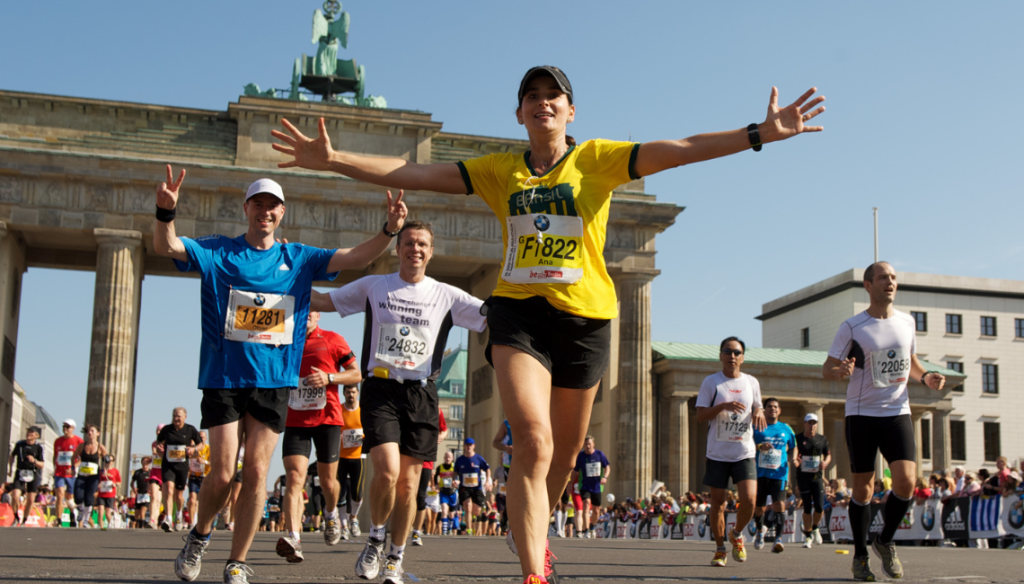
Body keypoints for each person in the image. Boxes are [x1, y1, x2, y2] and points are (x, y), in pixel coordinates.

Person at [273, 64, 825, 584]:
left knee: (562, 454)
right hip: (520, 314)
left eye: (552, 97)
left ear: (570, 111)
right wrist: (335, 160)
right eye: (531, 97)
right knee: (533, 443)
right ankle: (533, 571)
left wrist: (758, 133)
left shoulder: (598, 160)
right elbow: (414, 172)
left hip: (586, 321)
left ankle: (532, 528)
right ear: (520, 114)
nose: (542, 104)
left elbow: (678, 150)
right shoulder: (498, 170)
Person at [154, 165, 407, 584]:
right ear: (247, 209)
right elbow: (168, 247)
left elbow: (355, 258)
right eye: (258, 204)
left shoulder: (300, 258)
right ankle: (199, 536)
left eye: (272, 206)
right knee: (221, 472)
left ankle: (236, 561)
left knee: (255, 471)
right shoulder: (219, 251)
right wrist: (166, 213)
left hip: (274, 382)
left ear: (282, 212)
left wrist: (388, 230)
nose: (265, 212)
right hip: (224, 377)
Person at [308, 219, 486, 584]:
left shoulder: (447, 295)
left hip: (422, 394)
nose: (415, 249)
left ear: (431, 251)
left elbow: (491, 316)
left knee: (408, 485)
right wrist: (280, 276)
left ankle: (396, 556)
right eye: (408, 243)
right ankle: (375, 538)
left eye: (422, 244)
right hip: (382, 390)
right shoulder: (376, 286)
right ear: (398, 248)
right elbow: (324, 300)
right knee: (387, 471)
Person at [823, 261, 946, 581]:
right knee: (862, 489)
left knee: (906, 480)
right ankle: (861, 556)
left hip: (897, 411)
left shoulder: (907, 322)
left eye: (893, 278)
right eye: (882, 278)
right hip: (862, 414)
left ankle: (886, 541)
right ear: (868, 285)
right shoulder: (851, 327)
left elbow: (913, 362)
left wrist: (927, 376)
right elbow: (828, 368)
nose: (889, 282)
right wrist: (840, 372)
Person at [276, 309, 360, 563]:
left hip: (327, 420)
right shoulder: (284, 339)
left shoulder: (333, 339)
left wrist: (330, 377)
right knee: (294, 478)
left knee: (328, 482)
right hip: (295, 420)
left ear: (318, 315)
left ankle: (332, 514)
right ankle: (293, 538)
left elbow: (356, 374)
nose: (307, 315)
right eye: (302, 309)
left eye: (311, 310)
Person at [695, 337, 766, 567]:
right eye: (727, 351)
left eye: (736, 352)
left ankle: (736, 534)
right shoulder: (711, 382)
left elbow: (758, 406)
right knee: (718, 504)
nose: (732, 356)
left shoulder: (752, 382)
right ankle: (720, 549)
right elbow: (700, 415)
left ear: (742, 357)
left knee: (750, 499)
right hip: (717, 453)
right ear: (721, 356)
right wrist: (723, 406)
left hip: (744, 451)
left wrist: (759, 412)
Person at [752, 397, 795, 553]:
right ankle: (758, 532)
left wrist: (793, 459)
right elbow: (747, 445)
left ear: (779, 410)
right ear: (764, 409)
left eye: (775, 407)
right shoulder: (756, 427)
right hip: (760, 473)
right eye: (769, 406)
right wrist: (759, 446)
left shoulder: (786, 429)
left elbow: (793, 446)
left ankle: (778, 538)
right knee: (759, 507)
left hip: (779, 473)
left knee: (779, 504)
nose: (773, 409)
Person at [157, 407, 203, 532]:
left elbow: (201, 444)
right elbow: (158, 443)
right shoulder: (167, 429)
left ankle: (178, 514)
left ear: (185, 417)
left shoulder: (190, 429)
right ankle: (167, 519)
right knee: (169, 490)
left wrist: (194, 449)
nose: (176, 418)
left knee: (179, 495)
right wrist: (160, 448)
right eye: (174, 415)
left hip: (182, 465)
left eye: (179, 416)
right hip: (168, 464)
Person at [793, 412, 831, 549]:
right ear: (804, 424)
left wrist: (825, 463)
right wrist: (795, 459)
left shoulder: (822, 439)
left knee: (820, 506)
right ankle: (808, 536)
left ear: (816, 425)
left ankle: (815, 528)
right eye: (809, 423)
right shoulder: (798, 438)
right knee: (807, 507)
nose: (811, 426)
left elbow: (828, 455)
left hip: (817, 477)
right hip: (803, 477)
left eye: (814, 423)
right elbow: (793, 452)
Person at [411, 408, 448, 546]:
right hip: (411, 456)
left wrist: (442, 436)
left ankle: (416, 531)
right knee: (409, 493)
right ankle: (405, 527)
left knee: (420, 496)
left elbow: (444, 429)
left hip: (427, 458)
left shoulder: (436, 410)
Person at [336, 384, 365, 540]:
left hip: (358, 457)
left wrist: (363, 439)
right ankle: (343, 526)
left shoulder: (363, 411)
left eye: (353, 392)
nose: (351, 395)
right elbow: (333, 428)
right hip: (341, 457)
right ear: (344, 393)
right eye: (348, 392)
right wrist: (337, 436)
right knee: (340, 493)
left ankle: (353, 518)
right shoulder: (339, 410)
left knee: (357, 492)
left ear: (357, 393)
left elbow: (370, 429)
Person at [569, 435, 609, 539]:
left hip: (596, 486)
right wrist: (570, 483)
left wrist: (605, 477)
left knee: (596, 510)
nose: (587, 446)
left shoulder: (600, 455)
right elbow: (575, 471)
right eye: (586, 444)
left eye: (589, 444)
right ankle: (586, 530)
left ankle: (592, 526)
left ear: (593, 444)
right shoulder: (581, 457)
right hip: (584, 485)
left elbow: (607, 467)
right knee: (586, 504)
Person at [8, 425, 46, 525]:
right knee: (15, 496)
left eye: (31, 432)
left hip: (32, 473)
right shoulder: (20, 444)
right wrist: (10, 468)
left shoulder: (38, 448)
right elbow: (12, 456)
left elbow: (42, 465)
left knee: (30, 499)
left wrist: (34, 461)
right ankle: (16, 517)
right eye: (28, 432)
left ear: (36, 435)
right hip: (20, 472)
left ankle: (24, 520)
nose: (29, 434)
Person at [72, 424, 108, 528]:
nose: (90, 433)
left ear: (98, 433)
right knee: (78, 497)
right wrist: (73, 467)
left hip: (93, 476)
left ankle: (86, 520)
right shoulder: (82, 446)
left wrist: (105, 468)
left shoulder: (100, 447)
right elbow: (74, 456)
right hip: (82, 474)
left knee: (89, 498)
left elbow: (106, 459)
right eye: (88, 431)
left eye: (92, 431)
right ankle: (80, 511)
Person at [456, 438, 492, 538]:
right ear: (464, 446)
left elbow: (487, 468)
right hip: (464, 487)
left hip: (477, 487)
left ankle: (474, 523)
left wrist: (488, 480)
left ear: (474, 446)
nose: (469, 447)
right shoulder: (460, 460)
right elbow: (455, 472)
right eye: (467, 445)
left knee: (476, 511)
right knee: (467, 506)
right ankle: (469, 529)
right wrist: (455, 479)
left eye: (470, 445)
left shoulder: (479, 458)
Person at [53, 418, 83, 528]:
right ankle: (59, 520)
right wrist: (54, 468)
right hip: (59, 473)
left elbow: (82, 458)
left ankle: (72, 514)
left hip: (71, 474)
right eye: (64, 426)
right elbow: (55, 456)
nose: (65, 429)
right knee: (60, 495)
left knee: (70, 499)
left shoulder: (78, 441)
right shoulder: (58, 441)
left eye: (67, 427)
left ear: (73, 429)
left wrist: (74, 467)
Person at [187, 431, 210, 530]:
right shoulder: (192, 449)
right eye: (199, 437)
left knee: (203, 501)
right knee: (192, 500)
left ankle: (204, 522)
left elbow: (213, 462)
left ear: (206, 439)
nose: (201, 439)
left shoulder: (209, 448)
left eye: (203, 437)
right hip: (193, 477)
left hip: (205, 477)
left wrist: (204, 461)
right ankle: (192, 523)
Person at [434, 450, 459, 536]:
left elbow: (460, 477)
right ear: (444, 458)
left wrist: (457, 482)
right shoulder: (440, 467)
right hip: (443, 492)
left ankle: (450, 529)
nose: (448, 459)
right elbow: (435, 476)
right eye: (446, 457)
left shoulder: (455, 467)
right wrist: (435, 485)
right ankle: (444, 531)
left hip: (453, 492)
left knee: (451, 514)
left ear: (452, 458)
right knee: (444, 511)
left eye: (449, 457)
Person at [98, 454, 122, 529]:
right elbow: (98, 480)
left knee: (108, 513)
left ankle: (110, 524)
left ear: (113, 462)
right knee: (101, 511)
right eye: (106, 460)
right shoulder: (101, 470)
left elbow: (119, 482)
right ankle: (101, 527)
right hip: (101, 494)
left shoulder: (115, 471)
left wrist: (115, 484)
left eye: (110, 460)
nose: (108, 462)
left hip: (110, 494)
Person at [132, 457, 154, 528]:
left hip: (146, 495)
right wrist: (134, 489)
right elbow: (132, 483)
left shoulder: (150, 472)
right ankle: (137, 526)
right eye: (143, 462)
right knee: (136, 514)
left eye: (146, 462)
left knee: (142, 512)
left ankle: (141, 527)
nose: (145, 464)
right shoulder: (137, 472)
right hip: (139, 495)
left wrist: (150, 490)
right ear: (141, 462)